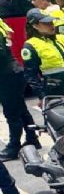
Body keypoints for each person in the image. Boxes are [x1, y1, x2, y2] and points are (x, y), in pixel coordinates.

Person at [0, 17, 39, 162]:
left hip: (7, 75)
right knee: (21, 109)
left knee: (11, 112)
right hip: (13, 71)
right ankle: (32, 138)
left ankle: (14, 146)